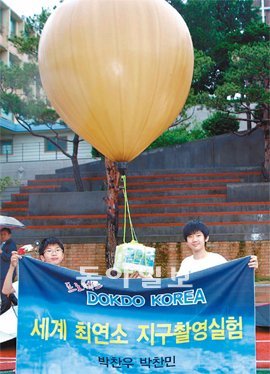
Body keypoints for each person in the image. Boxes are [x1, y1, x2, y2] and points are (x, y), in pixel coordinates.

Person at [177, 220, 258, 276]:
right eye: (190, 237)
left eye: (198, 236)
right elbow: (178, 287)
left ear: (206, 238)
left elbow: (233, 278)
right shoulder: (186, 263)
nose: (194, 240)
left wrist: (249, 269)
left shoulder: (217, 260)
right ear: (186, 241)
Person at [0, 228, 17, 314]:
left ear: (9, 235)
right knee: (8, 292)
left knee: (4, 291)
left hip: (7, 272)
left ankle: (3, 310)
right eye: (1, 234)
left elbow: (10, 258)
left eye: (4, 234)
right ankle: (18, 304)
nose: (2, 236)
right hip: (2, 271)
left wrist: (1, 252)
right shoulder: (3, 244)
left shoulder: (11, 244)